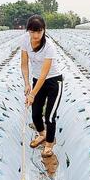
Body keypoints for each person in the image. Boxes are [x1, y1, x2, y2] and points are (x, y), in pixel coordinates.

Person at [20, 14, 64, 158]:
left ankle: (50, 144)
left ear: (44, 30)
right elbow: (24, 64)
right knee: (35, 113)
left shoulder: (49, 46)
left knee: (50, 116)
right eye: (32, 31)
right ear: (28, 31)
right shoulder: (25, 41)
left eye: (39, 31)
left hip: (53, 81)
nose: (36, 35)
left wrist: (32, 94)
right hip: (36, 79)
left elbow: (45, 74)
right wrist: (27, 84)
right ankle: (42, 134)